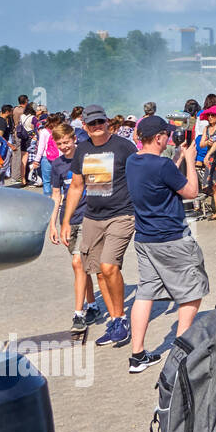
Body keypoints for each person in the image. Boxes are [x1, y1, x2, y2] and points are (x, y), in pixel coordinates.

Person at [125, 115, 208, 373]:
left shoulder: (133, 161)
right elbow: (191, 192)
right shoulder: (162, 166)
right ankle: (180, 354)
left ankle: (137, 355)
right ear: (159, 137)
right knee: (193, 292)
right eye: (167, 135)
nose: (170, 138)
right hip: (172, 239)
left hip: (145, 239)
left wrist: (180, 158)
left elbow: (162, 174)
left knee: (146, 292)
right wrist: (191, 163)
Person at [62, 105, 138, 347]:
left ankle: (123, 319)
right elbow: (76, 186)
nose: (97, 127)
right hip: (92, 217)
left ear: (107, 122)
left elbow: (139, 176)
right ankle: (115, 319)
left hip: (122, 214)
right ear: (84, 126)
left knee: (109, 266)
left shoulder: (124, 147)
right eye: (92, 124)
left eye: (100, 122)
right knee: (97, 271)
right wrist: (65, 220)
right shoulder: (82, 150)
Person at [47, 122, 101, 334]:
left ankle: (78, 314)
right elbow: (56, 195)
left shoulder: (87, 158)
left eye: (67, 142)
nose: (64, 146)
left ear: (74, 138)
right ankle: (93, 305)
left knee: (78, 262)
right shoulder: (57, 165)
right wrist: (53, 224)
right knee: (83, 266)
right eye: (60, 143)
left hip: (89, 217)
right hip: (68, 220)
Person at [195, 106, 216, 218]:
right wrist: (207, 142)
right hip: (211, 159)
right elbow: (201, 144)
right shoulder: (206, 128)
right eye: (209, 115)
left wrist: (208, 154)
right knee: (215, 186)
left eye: (212, 115)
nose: (210, 117)